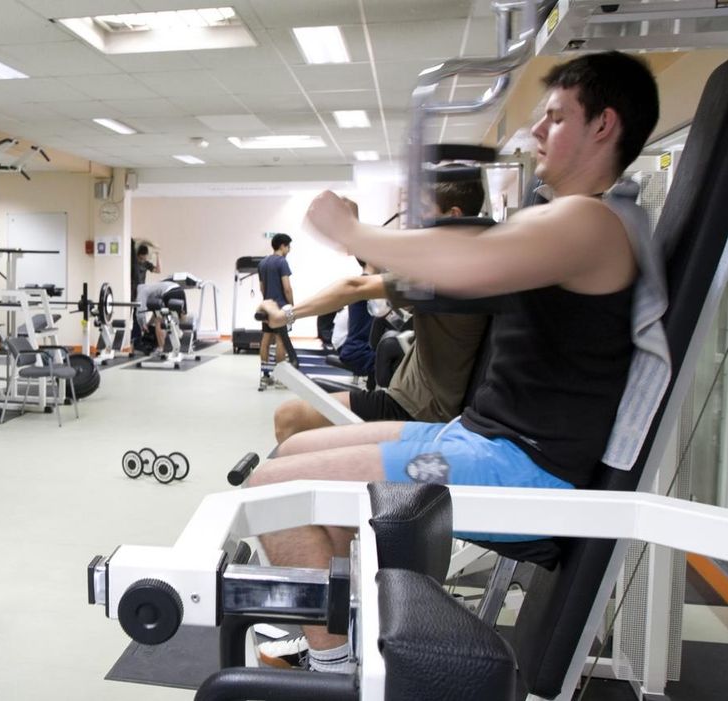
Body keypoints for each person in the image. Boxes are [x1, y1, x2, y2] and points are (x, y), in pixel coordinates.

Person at [250, 51, 661, 673]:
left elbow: (470, 264)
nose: (537, 132)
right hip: (472, 438)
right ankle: (345, 631)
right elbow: (465, 264)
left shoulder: (592, 220)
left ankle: (332, 669)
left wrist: (352, 232)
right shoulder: (573, 218)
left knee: (269, 491)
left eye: (555, 118)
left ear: (604, 126)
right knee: (293, 456)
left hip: (517, 467)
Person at [259, 174, 490, 443]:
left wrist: (284, 314)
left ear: (454, 215)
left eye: (426, 212)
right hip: (414, 400)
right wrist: (355, 231)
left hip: (416, 409)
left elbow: (355, 286)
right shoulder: (466, 263)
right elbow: (381, 268)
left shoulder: (443, 272)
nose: (419, 223)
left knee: (289, 418)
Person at [258, 233, 294, 385]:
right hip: (280, 308)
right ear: (282, 246)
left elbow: (262, 287)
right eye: (288, 246)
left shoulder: (262, 263)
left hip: (267, 306)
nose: (289, 250)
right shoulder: (282, 262)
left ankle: (265, 376)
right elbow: (287, 288)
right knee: (280, 340)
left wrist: (267, 301)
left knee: (265, 340)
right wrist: (292, 306)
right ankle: (280, 378)